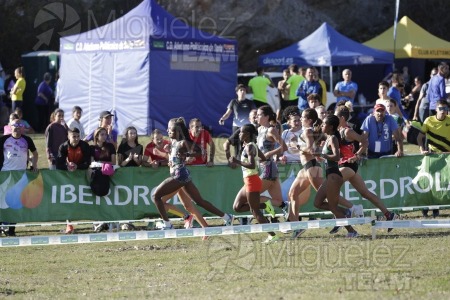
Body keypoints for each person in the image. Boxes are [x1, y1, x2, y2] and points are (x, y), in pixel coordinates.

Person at [286, 108, 361, 238]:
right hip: (308, 168)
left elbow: (311, 149)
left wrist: (299, 148)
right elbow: (317, 148)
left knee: (329, 201)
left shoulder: (310, 131)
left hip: (314, 169)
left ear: (309, 120)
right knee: (294, 194)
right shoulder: (315, 133)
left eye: (303, 117)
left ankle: (350, 212)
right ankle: (297, 225)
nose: (300, 119)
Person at [152, 117, 234, 230]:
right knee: (199, 201)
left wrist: (188, 155)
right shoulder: (173, 142)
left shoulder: (183, 143)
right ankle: (227, 217)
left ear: (177, 131)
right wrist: (168, 155)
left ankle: (167, 225)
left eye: (170, 129)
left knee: (156, 196)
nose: (167, 131)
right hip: (182, 175)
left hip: (179, 176)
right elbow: (175, 158)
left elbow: (200, 151)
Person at [332, 106, 398, 233]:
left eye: (335, 116)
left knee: (330, 190)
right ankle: (389, 214)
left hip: (348, 166)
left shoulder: (347, 131)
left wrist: (356, 155)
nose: (334, 119)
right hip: (345, 165)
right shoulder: (337, 130)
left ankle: (345, 213)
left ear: (342, 118)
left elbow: (364, 141)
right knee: (365, 193)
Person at [229, 124, 280, 243]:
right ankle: (265, 205)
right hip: (249, 180)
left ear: (247, 134)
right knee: (237, 207)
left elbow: (252, 165)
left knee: (254, 211)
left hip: (252, 181)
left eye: (241, 132)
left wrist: (237, 161)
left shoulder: (250, 147)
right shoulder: (251, 146)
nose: (239, 134)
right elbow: (263, 158)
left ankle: (272, 235)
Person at [313, 115, 359, 238]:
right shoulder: (328, 137)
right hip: (329, 175)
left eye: (324, 124)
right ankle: (345, 212)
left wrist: (323, 155)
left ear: (331, 127)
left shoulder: (333, 138)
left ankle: (352, 231)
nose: (322, 125)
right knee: (317, 203)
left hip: (334, 175)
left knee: (333, 207)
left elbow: (337, 157)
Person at [0, 118, 38, 236]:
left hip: (20, 176)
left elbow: (35, 153)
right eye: (14, 125)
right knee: (2, 202)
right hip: (5, 174)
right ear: (10, 127)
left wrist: (34, 164)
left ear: (22, 127)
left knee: (15, 202)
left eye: (19, 124)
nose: (17, 126)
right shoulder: (4, 140)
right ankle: (1, 226)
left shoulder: (27, 140)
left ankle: (11, 229)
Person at [417, 100, 450, 218]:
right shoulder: (429, 121)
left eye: (445, 109)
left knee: (441, 183)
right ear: (436, 109)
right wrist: (421, 149)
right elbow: (419, 137)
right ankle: (425, 207)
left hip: (447, 157)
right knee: (428, 182)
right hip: (432, 156)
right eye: (441, 109)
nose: (443, 111)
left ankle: (436, 208)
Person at [55, 127, 90, 234]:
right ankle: (69, 225)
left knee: (86, 199)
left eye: (78, 136)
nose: (76, 139)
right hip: (68, 176)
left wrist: (77, 166)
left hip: (83, 175)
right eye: (73, 136)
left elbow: (88, 162)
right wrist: (68, 166)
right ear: (68, 137)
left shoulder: (84, 145)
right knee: (68, 200)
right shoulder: (63, 147)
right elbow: (59, 164)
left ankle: (95, 222)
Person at [219, 84, 256, 156]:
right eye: (241, 90)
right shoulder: (233, 102)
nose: (243, 92)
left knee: (247, 146)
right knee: (237, 146)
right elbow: (227, 114)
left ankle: (246, 159)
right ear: (237, 92)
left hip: (247, 128)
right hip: (236, 127)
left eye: (244, 90)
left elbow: (254, 114)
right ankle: (237, 160)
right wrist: (222, 118)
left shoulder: (250, 103)